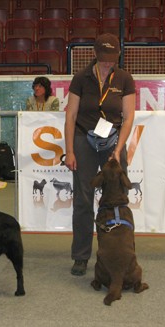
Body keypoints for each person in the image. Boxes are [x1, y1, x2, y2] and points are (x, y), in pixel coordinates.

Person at [64, 33, 136, 276]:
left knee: (117, 198)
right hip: (84, 139)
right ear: (95, 55)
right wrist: (70, 150)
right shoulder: (81, 78)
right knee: (83, 200)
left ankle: (120, 251)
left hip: (113, 142)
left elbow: (128, 119)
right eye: (104, 58)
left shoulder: (124, 78)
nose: (107, 63)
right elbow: (71, 116)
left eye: (112, 58)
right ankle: (81, 256)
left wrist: (118, 150)